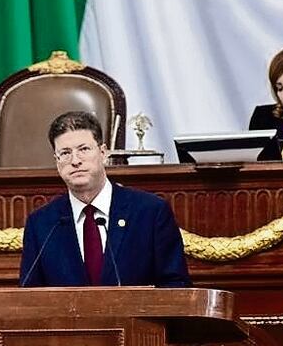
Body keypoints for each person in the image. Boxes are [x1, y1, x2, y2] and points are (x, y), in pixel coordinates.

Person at [20, 111, 191, 287]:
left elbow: (176, 285)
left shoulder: (150, 212)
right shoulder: (41, 224)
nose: (75, 160)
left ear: (103, 153)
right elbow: (29, 296)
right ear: (56, 161)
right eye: (65, 153)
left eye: (83, 149)